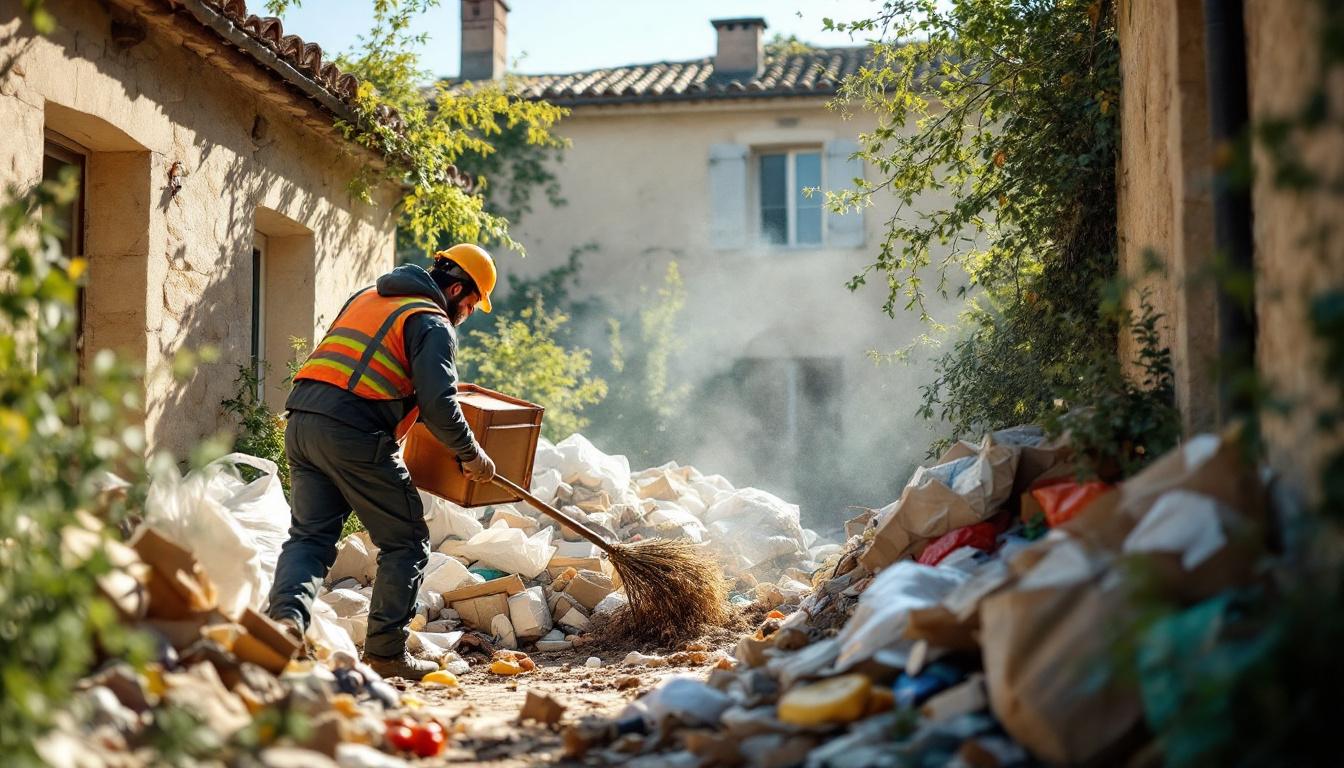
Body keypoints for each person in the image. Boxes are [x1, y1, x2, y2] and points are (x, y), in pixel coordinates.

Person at [266, 244, 498, 680]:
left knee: (311, 537)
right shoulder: (431, 321)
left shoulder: (368, 297)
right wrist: (472, 454)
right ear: (455, 287)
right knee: (406, 541)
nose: (466, 312)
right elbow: (439, 406)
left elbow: (373, 364)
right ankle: (386, 655)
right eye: (469, 303)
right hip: (354, 431)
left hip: (302, 421)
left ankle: (285, 625)